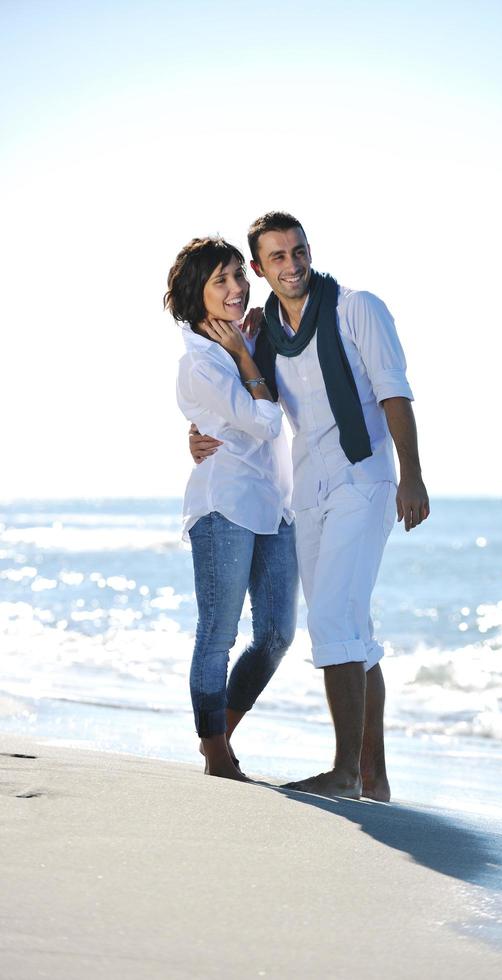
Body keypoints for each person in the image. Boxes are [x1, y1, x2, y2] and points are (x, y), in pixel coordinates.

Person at [191, 212, 429, 801]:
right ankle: (374, 779)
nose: (292, 265)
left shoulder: (356, 308)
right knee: (353, 627)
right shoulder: (264, 328)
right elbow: (242, 398)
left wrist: (413, 476)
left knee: (331, 620)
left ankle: (344, 772)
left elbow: (392, 391)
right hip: (306, 489)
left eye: (299, 251)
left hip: (364, 479)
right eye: (277, 257)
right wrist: (194, 435)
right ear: (259, 268)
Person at [165, 236, 298, 781]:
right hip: (224, 505)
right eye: (220, 281)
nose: (237, 288)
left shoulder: (252, 333)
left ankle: (222, 730)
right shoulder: (201, 363)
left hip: (275, 501)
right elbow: (265, 422)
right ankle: (216, 749)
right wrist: (244, 357)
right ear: (198, 294)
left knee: (276, 634)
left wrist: (247, 349)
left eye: (238, 276)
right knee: (218, 632)